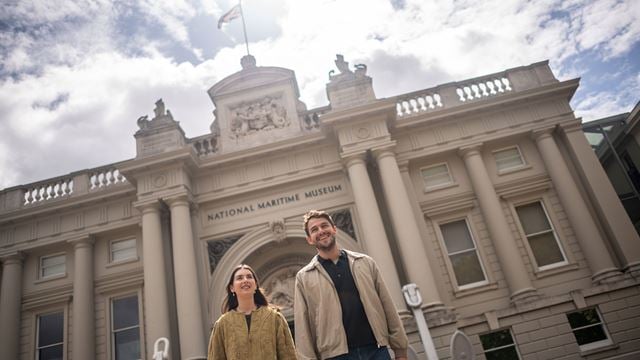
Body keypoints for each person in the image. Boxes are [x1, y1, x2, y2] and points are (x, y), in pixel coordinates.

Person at [294, 210, 408, 360]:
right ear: (309, 239)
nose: (321, 231)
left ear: (334, 229)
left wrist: (400, 351)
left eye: (324, 226)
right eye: (314, 230)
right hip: (335, 356)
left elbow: (387, 305)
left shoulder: (365, 263)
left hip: (376, 349)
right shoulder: (304, 277)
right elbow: (303, 326)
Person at [208, 264, 297, 360]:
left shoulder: (275, 318)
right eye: (239, 278)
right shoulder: (222, 324)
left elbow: (289, 356)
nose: (245, 280)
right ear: (232, 288)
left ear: (255, 285)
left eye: (249, 277)